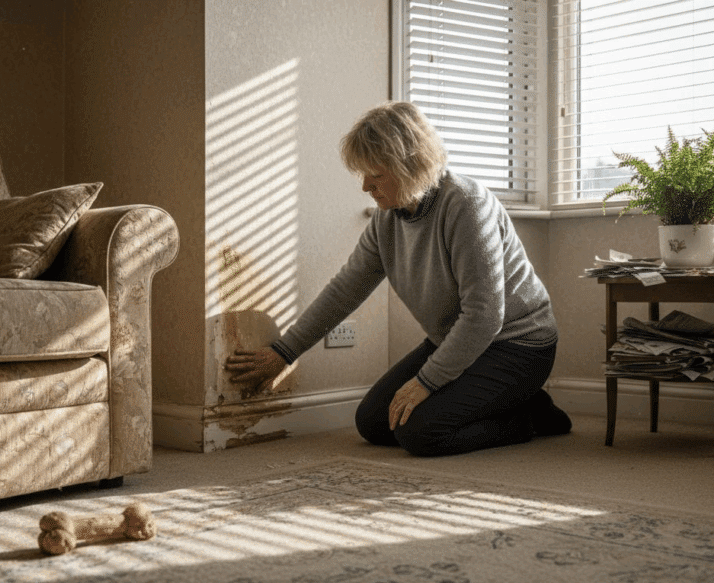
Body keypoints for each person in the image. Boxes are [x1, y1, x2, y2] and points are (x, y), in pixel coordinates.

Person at [225, 101, 570, 457]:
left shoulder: (466, 205)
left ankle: (529, 415)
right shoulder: (386, 219)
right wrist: (284, 352)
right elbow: (346, 289)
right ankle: (504, 401)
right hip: (456, 340)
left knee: (421, 433)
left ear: (409, 164)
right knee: (374, 422)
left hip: (517, 345)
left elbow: (484, 316)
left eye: (375, 175)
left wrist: (425, 383)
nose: (364, 187)